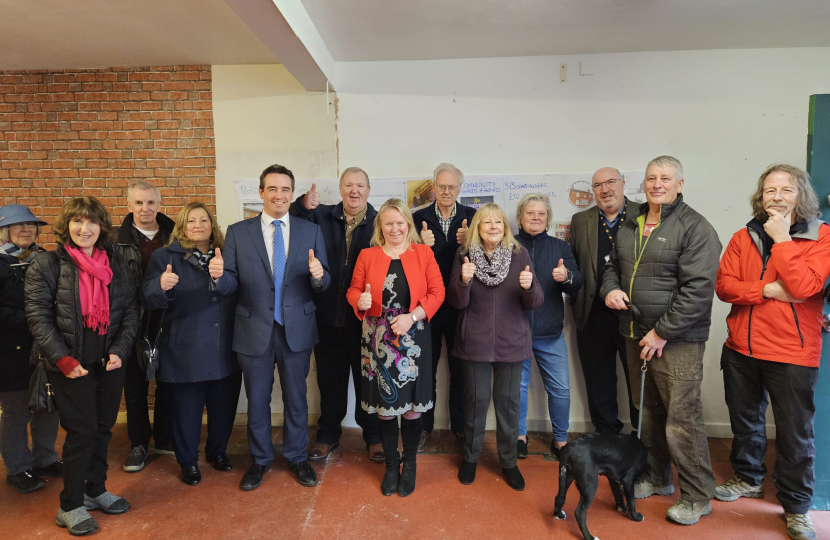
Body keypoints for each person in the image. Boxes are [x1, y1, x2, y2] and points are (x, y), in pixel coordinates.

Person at [601, 156, 721, 525]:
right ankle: (656, 478)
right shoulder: (632, 222)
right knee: (648, 414)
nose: (657, 184)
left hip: (677, 342)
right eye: (651, 178)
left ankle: (699, 496)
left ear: (680, 184)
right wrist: (611, 289)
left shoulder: (695, 227)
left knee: (681, 421)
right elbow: (611, 266)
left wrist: (661, 332)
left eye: (665, 178)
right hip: (635, 335)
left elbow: (698, 291)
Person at [715, 164, 829, 540]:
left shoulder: (823, 237)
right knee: (745, 421)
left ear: (802, 195)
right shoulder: (742, 237)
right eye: (769, 191)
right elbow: (725, 287)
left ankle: (795, 506)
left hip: (793, 352)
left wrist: (782, 240)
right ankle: (748, 478)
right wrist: (765, 290)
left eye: (785, 190)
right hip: (742, 347)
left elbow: (804, 285)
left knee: (796, 434)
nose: (776, 197)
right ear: (760, 197)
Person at [25, 197, 140, 536]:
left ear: (102, 227)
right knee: (82, 432)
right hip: (69, 364)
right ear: (67, 225)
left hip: (108, 362)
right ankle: (70, 505)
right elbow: (38, 318)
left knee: (104, 428)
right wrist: (62, 359)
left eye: (91, 222)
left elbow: (131, 312)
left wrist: (120, 349)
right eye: (77, 222)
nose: (84, 228)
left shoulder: (116, 264)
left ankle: (95, 488)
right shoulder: (47, 264)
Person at [216, 164, 330, 490]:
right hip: (254, 328)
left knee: (297, 399)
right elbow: (231, 283)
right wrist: (218, 277)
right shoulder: (239, 232)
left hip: (296, 327)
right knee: (257, 400)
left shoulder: (310, 231)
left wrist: (319, 276)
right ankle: (261, 460)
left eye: (285, 189)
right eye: (272, 189)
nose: (279, 195)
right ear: (262, 192)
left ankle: (296, 457)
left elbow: (323, 281)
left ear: (291, 194)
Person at [347, 198, 444, 497]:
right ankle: (391, 465)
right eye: (388, 223)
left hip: (413, 338)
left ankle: (410, 464)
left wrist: (412, 317)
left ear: (408, 225)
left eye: (400, 222)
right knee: (385, 410)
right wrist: (359, 301)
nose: (394, 228)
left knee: (413, 409)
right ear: (380, 226)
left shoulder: (424, 253)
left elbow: (437, 292)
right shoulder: (367, 255)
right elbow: (353, 290)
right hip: (377, 342)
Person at [141, 203, 242, 486]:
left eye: (204, 220)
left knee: (223, 406)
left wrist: (220, 277)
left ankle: (217, 452)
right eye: (191, 220)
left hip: (225, 347)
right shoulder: (165, 256)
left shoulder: (226, 255)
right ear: (182, 226)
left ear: (212, 225)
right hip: (183, 348)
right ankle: (187, 461)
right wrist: (160, 285)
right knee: (186, 409)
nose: (198, 225)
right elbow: (146, 297)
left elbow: (235, 287)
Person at [447, 203, 543, 491]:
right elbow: (455, 301)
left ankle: (509, 462)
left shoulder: (520, 254)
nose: (492, 227)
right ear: (477, 227)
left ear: (505, 227)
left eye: (498, 222)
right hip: (474, 340)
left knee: (509, 405)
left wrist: (528, 287)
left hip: (512, 342)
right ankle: (470, 458)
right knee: (475, 403)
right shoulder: (464, 255)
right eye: (486, 222)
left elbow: (535, 301)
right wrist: (463, 281)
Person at [290, 167, 383, 463]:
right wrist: (303, 203)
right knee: (330, 382)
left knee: (368, 382)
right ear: (340, 189)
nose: (354, 191)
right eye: (348, 185)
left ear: (369, 190)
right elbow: (291, 218)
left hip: (366, 321)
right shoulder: (321, 215)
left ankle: (373, 437)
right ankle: (328, 435)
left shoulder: (381, 222)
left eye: (360, 186)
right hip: (327, 317)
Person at [412, 163, 477, 451]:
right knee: (425, 369)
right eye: (441, 186)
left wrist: (470, 243)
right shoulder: (417, 219)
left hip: (462, 306)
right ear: (433, 188)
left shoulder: (473, 218)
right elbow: (402, 257)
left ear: (459, 189)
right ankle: (424, 427)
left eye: (452, 186)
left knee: (460, 370)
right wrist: (418, 243)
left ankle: (460, 429)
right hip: (426, 306)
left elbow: (486, 255)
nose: (446, 191)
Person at [569, 167, 638, 435]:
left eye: (610, 182)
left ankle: (642, 440)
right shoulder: (580, 220)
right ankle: (607, 437)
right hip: (592, 314)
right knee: (598, 381)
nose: (605, 189)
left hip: (634, 315)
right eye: (598, 185)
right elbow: (575, 265)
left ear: (622, 184)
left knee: (638, 381)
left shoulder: (644, 214)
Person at [514, 193, 582, 459]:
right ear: (520, 217)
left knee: (560, 388)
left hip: (550, 332)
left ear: (548, 219)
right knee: (517, 388)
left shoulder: (560, 247)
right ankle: (520, 436)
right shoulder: (509, 245)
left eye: (541, 213)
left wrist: (566, 277)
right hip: (516, 331)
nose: (536, 218)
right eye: (531, 213)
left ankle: (561, 440)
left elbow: (577, 283)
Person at [0, 205, 61, 494]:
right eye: (18, 226)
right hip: (10, 351)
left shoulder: (44, 259)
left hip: (45, 346)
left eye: (31, 225)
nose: (26, 230)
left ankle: (45, 458)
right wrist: (33, 317)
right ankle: (18, 468)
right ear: (5, 231)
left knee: (48, 406)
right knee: (16, 411)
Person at [115, 181, 175, 472]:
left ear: (159, 205)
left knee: (168, 381)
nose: (145, 208)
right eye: (138, 203)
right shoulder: (115, 240)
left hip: (168, 318)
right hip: (132, 319)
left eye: (150, 202)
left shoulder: (177, 234)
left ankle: (164, 438)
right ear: (128, 206)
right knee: (135, 386)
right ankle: (138, 442)